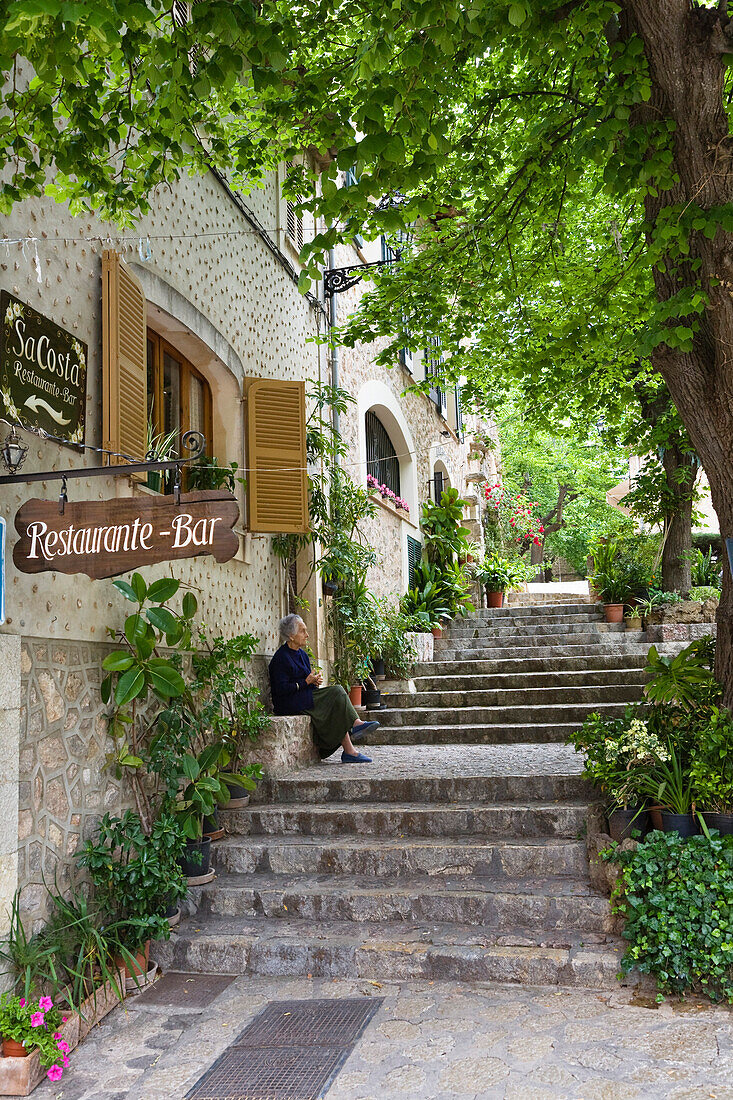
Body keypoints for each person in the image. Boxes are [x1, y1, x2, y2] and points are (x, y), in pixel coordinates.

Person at [269, 614, 379, 763]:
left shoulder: (302, 655)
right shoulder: (281, 658)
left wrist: (314, 681)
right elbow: (281, 690)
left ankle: (350, 751)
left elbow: (306, 681)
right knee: (338, 691)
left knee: (336, 705)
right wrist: (305, 682)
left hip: (304, 696)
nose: (307, 635)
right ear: (291, 636)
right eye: (302, 631)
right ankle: (356, 726)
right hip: (289, 703)